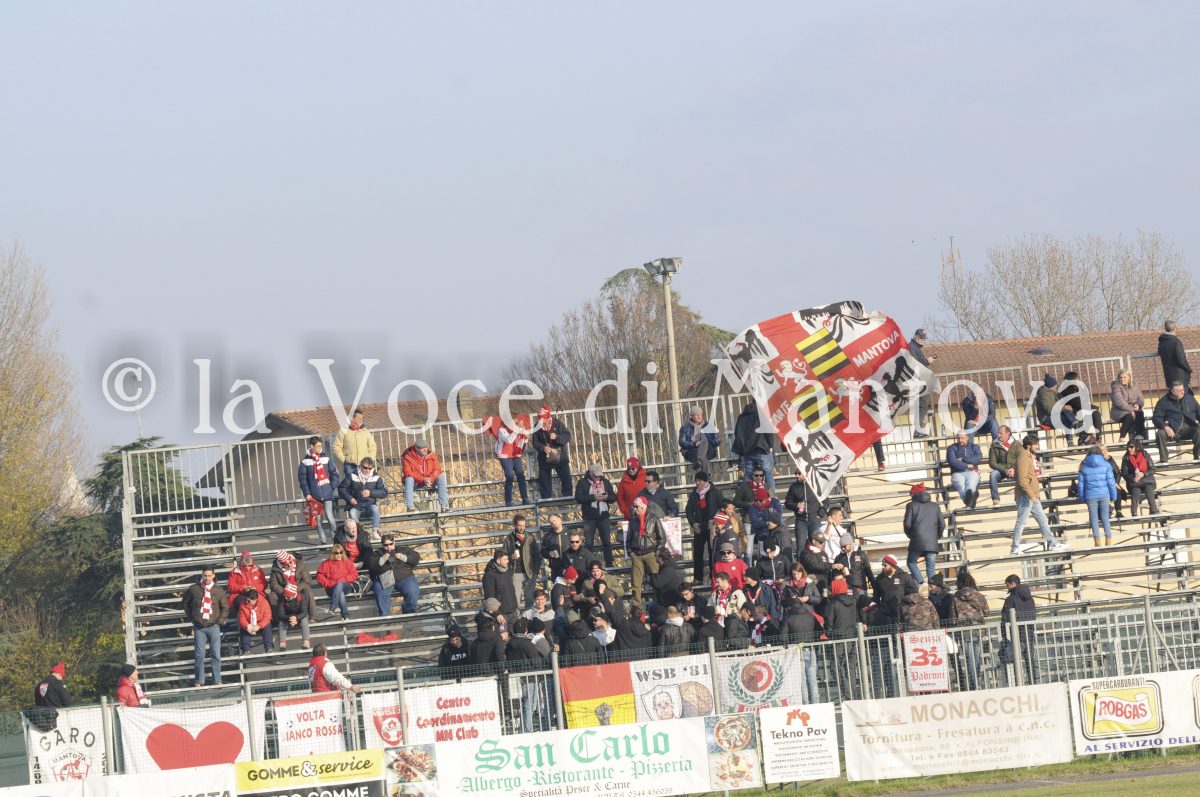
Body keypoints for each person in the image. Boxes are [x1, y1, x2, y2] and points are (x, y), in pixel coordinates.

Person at [1011, 435, 1066, 556]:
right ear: (1028, 445)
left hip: (1032, 495)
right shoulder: (1023, 457)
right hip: (1026, 496)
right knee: (1021, 522)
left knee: (1043, 520)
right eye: (1035, 444)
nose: (1037, 446)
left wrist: (1033, 495)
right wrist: (1031, 495)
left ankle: (1053, 544)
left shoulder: (1028, 456)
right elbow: (1022, 480)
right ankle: (1015, 548)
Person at [181, 568, 228, 686]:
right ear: (202, 575)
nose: (207, 578)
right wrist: (193, 617)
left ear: (213, 576)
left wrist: (219, 621)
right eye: (205, 575)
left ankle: (217, 680)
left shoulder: (218, 590)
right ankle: (199, 681)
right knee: (199, 655)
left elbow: (225, 607)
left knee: (216, 654)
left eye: (209, 576)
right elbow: (185, 603)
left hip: (214, 626)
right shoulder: (194, 589)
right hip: (199, 627)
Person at [950, 570, 989, 691]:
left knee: (970, 658)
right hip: (978, 630)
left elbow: (952, 617)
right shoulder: (979, 596)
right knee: (976, 657)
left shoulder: (955, 598)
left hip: (964, 632)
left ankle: (974, 683)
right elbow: (987, 612)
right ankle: (976, 681)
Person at [298, 437, 339, 544]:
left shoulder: (326, 459)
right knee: (318, 520)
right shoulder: (305, 462)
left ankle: (336, 540)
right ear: (311, 446)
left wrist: (331, 488)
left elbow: (334, 474)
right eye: (318, 446)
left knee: (330, 517)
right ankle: (323, 541)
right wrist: (307, 494)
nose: (320, 448)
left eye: (321, 446)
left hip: (327, 493)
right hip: (314, 496)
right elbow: (303, 480)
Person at [367, 535, 421, 615]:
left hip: (404, 577)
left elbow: (416, 557)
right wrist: (382, 559)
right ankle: (385, 617)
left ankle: (408, 611)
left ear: (394, 542)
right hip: (384, 579)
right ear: (382, 544)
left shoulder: (403, 549)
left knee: (412, 589)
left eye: (391, 544)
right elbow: (371, 565)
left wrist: (403, 557)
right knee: (379, 589)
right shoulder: (377, 553)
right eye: (386, 545)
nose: (388, 547)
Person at [575, 465, 617, 568]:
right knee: (589, 543)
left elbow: (613, 497)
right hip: (589, 517)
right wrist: (593, 497)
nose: (598, 478)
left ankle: (609, 563)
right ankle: (589, 565)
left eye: (599, 475)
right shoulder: (582, 483)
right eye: (595, 475)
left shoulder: (605, 482)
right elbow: (578, 498)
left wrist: (606, 497)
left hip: (603, 516)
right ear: (590, 474)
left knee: (607, 542)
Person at [626, 496, 665, 608]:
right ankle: (637, 608)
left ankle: (660, 604)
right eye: (634, 506)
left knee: (657, 581)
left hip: (651, 553)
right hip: (636, 554)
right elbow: (628, 540)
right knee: (636, 583)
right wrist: (631, 553)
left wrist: (656, 552)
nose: (634, 508)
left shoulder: (654, 518)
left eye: (636, 506)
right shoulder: (632, 521)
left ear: (643, 507)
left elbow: (662, 537)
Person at [686, 471, 724, 582]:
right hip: (699, 528)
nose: (697, 483)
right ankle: (698, 578)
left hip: (712, 527)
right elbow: (688, 510)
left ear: (706, 481)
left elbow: (722, 507)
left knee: (713, 552)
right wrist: (693, 523)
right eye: (696, 481)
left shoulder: (715, 492)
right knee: (697, 553)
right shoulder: (694, 494)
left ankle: (714, 577)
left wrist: (715, 520)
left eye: (700, 481)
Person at [1077, 444, 1118, 546]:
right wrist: (1113, 496)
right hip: (1104, 494)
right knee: (1105, 517)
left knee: (1094, 518)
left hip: (1090, 496)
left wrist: (1082, 497)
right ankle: (1108, 539)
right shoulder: (1106, 465)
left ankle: (1097, 541)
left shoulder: (1083, 466)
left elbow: (1080, 485)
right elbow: (1111, 482)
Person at [529, 405, 573, 500]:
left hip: (560, 457)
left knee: (566, 478)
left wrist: (557, 437)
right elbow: (535, 442)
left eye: (543, 419)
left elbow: (567, 436)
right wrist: (543, 447)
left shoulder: (558, 423)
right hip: (544, 458)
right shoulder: (537, 426)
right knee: (544, 480)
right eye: (540, 419)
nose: (542, 422)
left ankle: (568, 498)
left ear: (548, 417)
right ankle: (546, 500)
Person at [902, 484, 943, 584]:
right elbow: (942, 524)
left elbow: (907, 524)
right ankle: (933, 588)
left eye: (911, 493)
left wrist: (911, 535)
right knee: (931, 570)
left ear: (915, 494)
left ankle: (921, 582)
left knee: (911, 562)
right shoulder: (935, 506)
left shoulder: (911, 505)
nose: (910, 495)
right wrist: (936, 537)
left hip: (917, 540)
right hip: (932, 542)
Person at [731, 401, 776, 490]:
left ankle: (746, 496)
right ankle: (771, 496)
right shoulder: (762, 414)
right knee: (768, 473)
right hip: (761, 448)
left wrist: (743, 448)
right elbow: (768, 431)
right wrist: (771, 445)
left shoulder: (742, 417)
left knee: (748, 475)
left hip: (747, 451)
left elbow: (738, 433)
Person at [1001, 575, 1038, 684]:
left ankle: (1016, 683)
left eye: (1007, 585)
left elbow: (1005, 618)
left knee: (1012, 660)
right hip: (1029, 633)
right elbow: (1033, 615)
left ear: (1012, 583)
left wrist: (1005, 635)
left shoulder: (1010, 599)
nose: (1007, 587)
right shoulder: (1030, 598)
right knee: (1030, 660)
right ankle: (1033, 682)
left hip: (1016, 634)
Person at [1152, 382, 1200, 463]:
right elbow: (1156, 418)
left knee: (1198, 431)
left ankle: (1197, 456)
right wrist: (1166, 427)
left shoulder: (1190, 399)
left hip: (1188, 429)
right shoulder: (1163, 402)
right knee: (1160, 433)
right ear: (1173, 391)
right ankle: (1164, 460)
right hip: (1171, 429)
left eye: (1183, 389)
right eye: (1180, 390)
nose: (1183, 392)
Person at [338, 457, 388, 536]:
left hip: (369, 506)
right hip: (356, 506)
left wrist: (370, 493)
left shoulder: (376, 477)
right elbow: (341, 488)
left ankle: (375, 531)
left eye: (369, 468)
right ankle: (359, 533)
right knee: (352, 512)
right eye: (365, 467)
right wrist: (350, 498)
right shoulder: (352, 475)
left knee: (375, 508)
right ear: (360, 466)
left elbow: (384, 492)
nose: (367, 470)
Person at [502, 514, 541, 609]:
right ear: (515, 525)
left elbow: (537, 555)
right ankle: (516, 618)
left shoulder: (530, 537)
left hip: (529, 572)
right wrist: (511, 557)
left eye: (524, 525)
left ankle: (529, 617)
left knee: (530, 598)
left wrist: (536, 572)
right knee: (515, 599)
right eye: (520, 525)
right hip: (515, 572)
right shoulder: (508, 538)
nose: (522, 527)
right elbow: (503, 556)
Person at [402, 438, 449, 513]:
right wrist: (423, 479)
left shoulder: (431, 455)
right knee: (408, 479)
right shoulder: (407, 456)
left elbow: (437, 469)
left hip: (430, 481)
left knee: (441, 477)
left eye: (426, 447)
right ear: (416, 448)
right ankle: (410, 507)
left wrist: (430, 478)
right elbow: (408, 472)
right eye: (422, 448)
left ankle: (444, 506)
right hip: (416, 482)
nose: (425, 449)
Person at [784, 467, 826, 551]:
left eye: (799, 473)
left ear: (806, 473)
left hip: (814, 520)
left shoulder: (815, 484)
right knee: (801, 546)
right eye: (795, 473)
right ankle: (801, 560)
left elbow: (825, 501)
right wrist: (796, 505)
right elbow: (787, 503)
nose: (797, 475)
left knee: (817, 545)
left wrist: (820, 514)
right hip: (800, 520)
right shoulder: (793, 487)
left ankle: (819, 559)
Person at [315, 544, 357, 620]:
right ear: (332, 554)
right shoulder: (326, 563)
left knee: (339, 584)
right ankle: (346, 616)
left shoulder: (347, 562)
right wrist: (330, 583)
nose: (339, 555)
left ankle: (333, 607)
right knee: (340, 592)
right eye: (336, 553)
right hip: (331, 588)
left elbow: (354, 575)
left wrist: (343, 579)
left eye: (341, 552)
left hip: (346, 586)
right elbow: (319, 577)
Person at [1121, 437, 1161, 517]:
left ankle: (1154, 510)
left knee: (1148, 489)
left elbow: (1152, 469)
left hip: (1147, 480)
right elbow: (1124, 473)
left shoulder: (1145, 454)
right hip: (1134, 482)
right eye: (1128, 447)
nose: (1129, 449)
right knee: (1135, 490)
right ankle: (1134, 512)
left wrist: (1143, 474)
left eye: (1131, 447)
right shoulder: (1126, 457)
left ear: (1136, 447)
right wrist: (1133, 478)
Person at [494, 418, 530, 507]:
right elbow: (509, 440)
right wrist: (517, 430)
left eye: (516, 421)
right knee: (510, 477)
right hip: (505, 455)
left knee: (521, 476)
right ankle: (508, 500)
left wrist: (525, 438)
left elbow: (521, 442)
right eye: (513, 421)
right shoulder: (502, 430)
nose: (515, 423)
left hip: (515, 454)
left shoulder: (517, 429)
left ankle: (525, 498)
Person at [1060, 370, 1102, 445]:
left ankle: (1098, 437)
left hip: (1081, 411)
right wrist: (1094, 407)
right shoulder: (1066, 390)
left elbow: (1084, 401)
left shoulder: (1075, 388)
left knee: (1096, 414)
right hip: (1074, 414)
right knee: (1095, 414)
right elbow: (1078, 403)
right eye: (1076, 379)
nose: (1078, 380)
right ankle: (1086, 439)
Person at [332, 409, 377, 478]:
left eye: (362, 418)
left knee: (365, 484)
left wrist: (370, 459)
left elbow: (372, 447)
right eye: (359, 418)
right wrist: (343, 459)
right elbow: (336, 446)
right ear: (352, 418)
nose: (361, 420)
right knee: (351, 484)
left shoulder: (365, 431)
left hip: (365, 465)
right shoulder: (343, 430)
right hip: (349, 465)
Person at [909, 329, 936, 436]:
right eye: (921, 338)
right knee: (922, 405)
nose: (923, 340)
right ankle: (917, 430)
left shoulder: (915, 348)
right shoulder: (912, 347)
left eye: (924, 338)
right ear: (915, 336)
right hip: (918, 381)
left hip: (919, 380)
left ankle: (918, 430)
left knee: (922, 406)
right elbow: (916, 365)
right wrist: (927, 361)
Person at [482, 548, 520, 626]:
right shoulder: (489, 575)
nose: (508, 561)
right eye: (505, 559)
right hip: (501, 615)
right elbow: (489, 596)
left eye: (507, 559)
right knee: (504, 633)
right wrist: (497, 613)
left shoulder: (506, 571)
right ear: (498, 561)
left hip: (513, 612)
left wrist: (515, 608)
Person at [226, 549, 267, 620]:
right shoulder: (235, 572)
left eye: (249, 565)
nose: (247, 568)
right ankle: (246, 621)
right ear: (241, 565)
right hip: (240, 594)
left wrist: (255, 588)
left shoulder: (258, 570)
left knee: (262, 601)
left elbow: (264, 584)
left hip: (257, 593)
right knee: (243, 603)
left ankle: (261, 621)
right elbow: (230, 586)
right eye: (245, 566)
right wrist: (242, 588)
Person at [946, 431, 983, 509]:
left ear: (967, 438)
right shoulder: (951, 448)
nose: (960, 440)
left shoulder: (974, 447)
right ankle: (972, 500)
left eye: (962, 438)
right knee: (961, 487)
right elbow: (953, 461)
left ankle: (969, 502)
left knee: (970, 485)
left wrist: (963, 459)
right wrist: (967, 465)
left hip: (972, 471)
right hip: (957, 473)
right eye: (958, 438)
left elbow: (978, 458)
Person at [679, 406, 720, 473]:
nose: (699, 417)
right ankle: (706, 475)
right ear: (692, 416)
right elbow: (682, 442)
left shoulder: (709, 426)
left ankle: (699, 464)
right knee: (702, 456)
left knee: (703, 440)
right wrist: (694, 444)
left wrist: (707, 441)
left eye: (700, 414)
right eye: (696, 415)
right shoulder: (685, 427)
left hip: (708, 450)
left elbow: (717, 440)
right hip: (692, 451)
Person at [1110, 370, 1147, 441]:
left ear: (1129, 378)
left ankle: (1139, 435)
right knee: (1129, 416)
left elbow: (1141, 398)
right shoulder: (1116, 386)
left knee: (1139, 413)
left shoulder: (1135, 386)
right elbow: (1119, 401)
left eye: (1124, 377)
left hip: (1132, 409)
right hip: (1119, 410)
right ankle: (1122, 436)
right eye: (1120, 377)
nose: (1122, 379)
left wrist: (1138, 404)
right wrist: (1131, 410)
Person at [987, 425, 1019, 507]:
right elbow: (992, 463)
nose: (999, 435)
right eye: (998, 433)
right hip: (1001, 470)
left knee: (1024, 473)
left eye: (1001, 433)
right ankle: (995, 499)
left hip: (1015, 469)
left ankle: (1021, 498)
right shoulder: (994, 445)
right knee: (993, 474)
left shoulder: (1017, 444)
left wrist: (1014, 469)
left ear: (1008, 434)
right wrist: (1005, 470)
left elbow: (1021, 459)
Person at [275, 583, 312, 650]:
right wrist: (291, 618)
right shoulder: (281, 598)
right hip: (287, 617)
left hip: (298, 616)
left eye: (288, 597)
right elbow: (280, 614)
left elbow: (304, 612)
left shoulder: (302, 597)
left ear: (294, 595)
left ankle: (306, 642)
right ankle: (282, 644)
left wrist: (296, 618)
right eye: (285, 596)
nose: (286, 598)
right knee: (281, 623)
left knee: (304, 621)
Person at [237, 588, 273, 653]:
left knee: (267, 625)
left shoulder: (264, 603)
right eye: (245, 599)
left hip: (261, 623)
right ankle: (246, 650)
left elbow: (267, 617)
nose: (246, 602)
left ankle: (269, 647)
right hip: (249, 623)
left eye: (249, 601)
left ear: (255, 600)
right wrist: (246, 625)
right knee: (243, 628)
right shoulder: (242, 605)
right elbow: (242, 618)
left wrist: (259, 626)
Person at [1159, 320, 1193, 390]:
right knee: (1185, 395)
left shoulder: (1162, 342)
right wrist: (1189, 369)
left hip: (1169, 377)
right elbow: (1181, 360)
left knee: (1173, 396)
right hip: (1181, 378)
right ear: (1175, 328)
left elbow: (1160, 352)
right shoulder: (1176, 342)